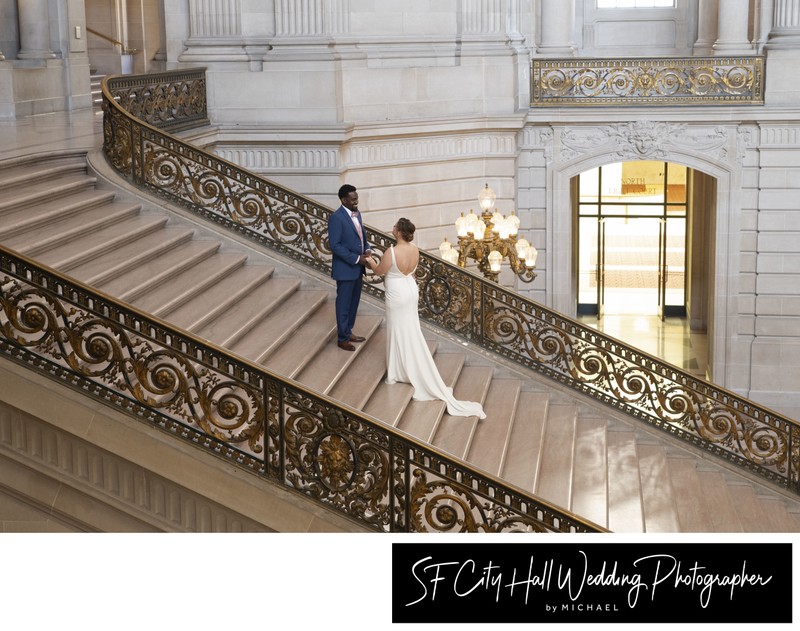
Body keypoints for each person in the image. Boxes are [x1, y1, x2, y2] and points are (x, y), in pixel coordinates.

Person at [367, 218, 486, 419]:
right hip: (411, 291)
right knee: (410, 329)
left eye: (395, 226)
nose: (393, 227)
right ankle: (403, 367)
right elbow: (410, 273)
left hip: (396, 293)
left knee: (397, 329)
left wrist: (369, 260)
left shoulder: (391, 252)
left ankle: (397, 370)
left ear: (398, 232)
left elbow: (379, 271)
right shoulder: (415, 249)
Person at [329, 184, 372, 351]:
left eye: (357, 199)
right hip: (345, 269)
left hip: (357, 269)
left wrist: (367, 248)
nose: (356, 202)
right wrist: (356, 258)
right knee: (344, 304)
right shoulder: (336, 218)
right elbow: (335, 245)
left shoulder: (357, 213)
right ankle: (342, 338)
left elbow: (362, 236)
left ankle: (348, 331)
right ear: (343, 200)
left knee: (354, 303)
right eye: (353, 199)